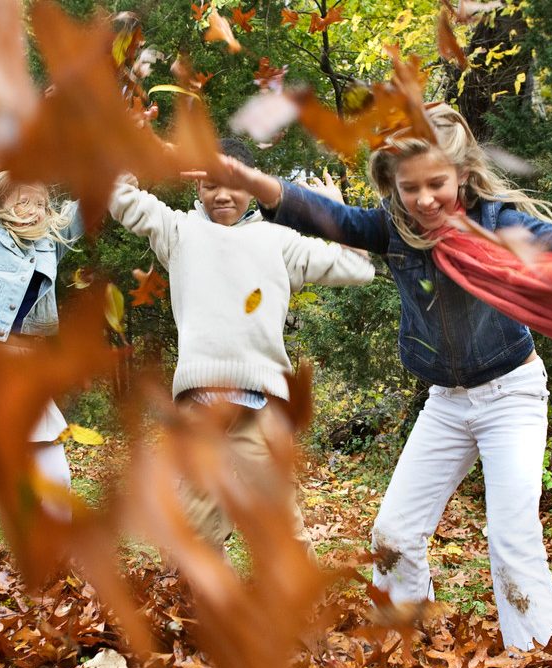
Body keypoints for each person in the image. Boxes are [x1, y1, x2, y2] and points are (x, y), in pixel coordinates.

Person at [192, 105, 552, 649]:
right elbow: (322, 215)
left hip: (511, 395)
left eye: (436, 184)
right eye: (409, 187)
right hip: (446, 402)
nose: (423, 200)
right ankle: (406, 645)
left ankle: (540, 658)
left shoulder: (501, 228)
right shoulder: (391, 230)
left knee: (511, 536)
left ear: (463, 176)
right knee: (393, 533)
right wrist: (250, 177)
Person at [110, 138, 374, 551]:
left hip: (263, 403)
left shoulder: (277, 240)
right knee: (196, 534)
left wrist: (335, 213)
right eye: (210, 185)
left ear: (251, 187)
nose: (221, 195)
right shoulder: (179, 231)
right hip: (200, 406)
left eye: (232, 184)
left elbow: (358, 268)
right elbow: (120, 197)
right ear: (197, 188)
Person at [0, 165, 85, 570]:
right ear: (1, 203)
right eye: (23, 201)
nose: (33, 210)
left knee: (57, 477)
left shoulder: (50, 244)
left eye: (41, 203)